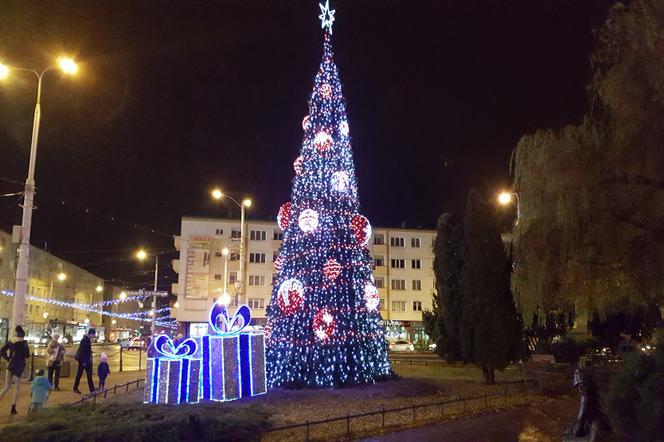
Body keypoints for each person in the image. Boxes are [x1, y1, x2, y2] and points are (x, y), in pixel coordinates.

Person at [0, 326, 31, 414]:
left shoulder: (11, 342)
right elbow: (27, 356)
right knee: (17, 387)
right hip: (19, 365)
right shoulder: (24, 343)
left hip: (11, 364)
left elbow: (2, 351)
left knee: (7, 386)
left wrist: (8, 358)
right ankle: (13, 408)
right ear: (23, 335)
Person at [73, 328, 96, 394]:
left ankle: (91, 389)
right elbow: (83, 351)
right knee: (82, 375)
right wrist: (84, 362)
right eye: (93, 334)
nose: (93, 336)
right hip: (84, 361)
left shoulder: (86, 339)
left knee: (85, 375)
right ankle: (91, 390)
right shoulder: (85, 340)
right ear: (91, 334)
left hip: (84, 360)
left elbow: (85, 350)